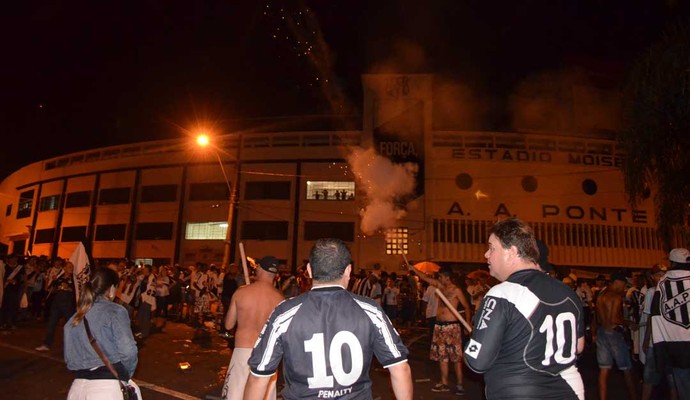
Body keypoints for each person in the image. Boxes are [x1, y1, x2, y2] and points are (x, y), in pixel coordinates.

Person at [244, 238, 412, 400]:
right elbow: (400, 368)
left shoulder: (284, 313)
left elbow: (259, 376)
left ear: (309, 270)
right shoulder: (370, 310)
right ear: (348, 270)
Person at [464, 218, 585, 400]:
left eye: (492, 247)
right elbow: (578, 345)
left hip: (517, 392)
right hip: (570, 390)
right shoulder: (567, 292)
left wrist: (477, 337)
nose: (486, 254)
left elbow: (477, 361)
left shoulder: (502, 293)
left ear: (511, 252)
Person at [63, 267, 139, 398]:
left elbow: (69, 359)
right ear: (112, 289)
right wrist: (125, 374)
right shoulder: (115, 311)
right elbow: (128, 351)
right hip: (105, 388)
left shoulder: (75, 317)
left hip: (77, 389)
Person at [221, 256, 284, 400]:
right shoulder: (280, 299)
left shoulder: (241, 292)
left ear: (260, 269)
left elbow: (228, 325)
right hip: (267, 354)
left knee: (235, 394)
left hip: (243, 351)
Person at [408, 264, 470, 395]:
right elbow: (424, 277)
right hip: (439, 325)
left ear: (446, 277)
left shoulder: (456, 290)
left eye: (440, 276)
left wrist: (467, 324)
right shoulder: (439, 287)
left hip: (452, 326)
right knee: (442, 356)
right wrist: (413, 269)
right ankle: (444, 383)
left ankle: (460, 384)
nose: (439, 278)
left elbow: (467, 307)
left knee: (456, 357)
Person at [649, 247, 690, 399]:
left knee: (684, 386)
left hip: (676, 344)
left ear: (672, 263)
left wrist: (660, 346)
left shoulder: (663, 282)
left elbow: (657, 315)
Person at [595, 272, 638, 400]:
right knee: (626, 368)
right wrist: (629, 323)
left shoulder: (601, 296)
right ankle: (634, 397)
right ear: (617, 282)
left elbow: (597, 318)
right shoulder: (616, 297)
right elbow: (614, 319)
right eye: (623, 284)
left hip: (602, 332)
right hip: (614, 333)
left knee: (604, 370)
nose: (624, 286)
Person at [36, 261, 77, 351]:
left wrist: (69, 288)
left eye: (72, 267)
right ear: (64, 268)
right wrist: (52, 280)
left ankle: (74, 346)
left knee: (71, 324)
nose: (71, 268)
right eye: (69, 266)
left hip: (68, 304)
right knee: (51, 323)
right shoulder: (59, 278)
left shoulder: (74, 279)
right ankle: (46, 344)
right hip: (57, 303)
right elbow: (50, 289)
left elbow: (76, 292)